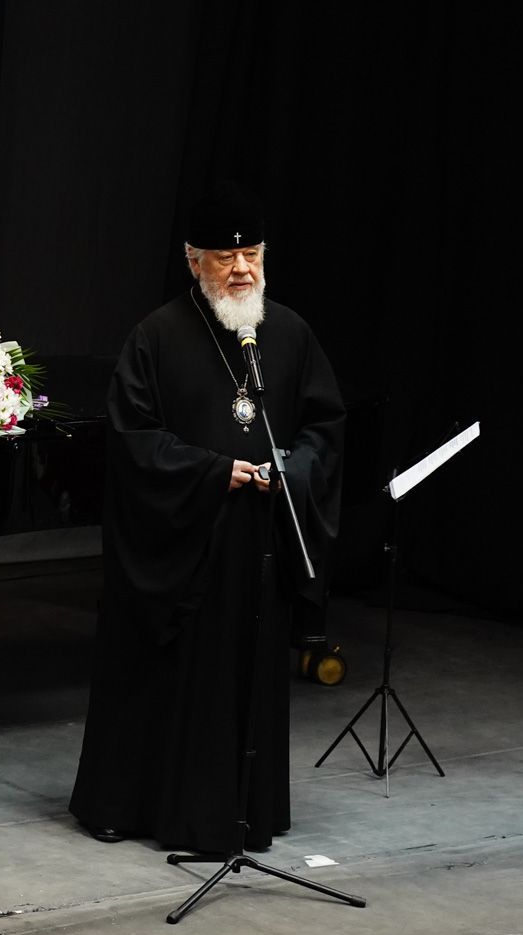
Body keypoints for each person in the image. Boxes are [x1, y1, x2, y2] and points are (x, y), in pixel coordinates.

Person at [68, 187, 345, 855]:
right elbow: (132, 439)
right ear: (194, 261)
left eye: (253, 255)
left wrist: (289, 470)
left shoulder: (290, 334)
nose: (242, 269)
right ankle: (133, 806)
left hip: (259, 543)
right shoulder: (156, 337)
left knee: (245, 674)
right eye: (226, 258)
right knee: (168, 675)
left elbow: (324, 428)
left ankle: (245, 810)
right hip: (185, 544)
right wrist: (213, 472)